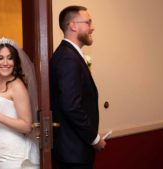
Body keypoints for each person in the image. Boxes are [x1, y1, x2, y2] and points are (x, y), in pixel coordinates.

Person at [50, 5, 106, 169]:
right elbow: (71, 106)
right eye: (88, 22)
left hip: (73, 152)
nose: (92, 27)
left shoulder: (68, 54)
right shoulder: (68, 58)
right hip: (73, 155)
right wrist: (94, 139)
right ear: (73, 25)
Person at [0, 38, 39, 169]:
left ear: (15, 62)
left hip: (14, 154)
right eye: (0, 58)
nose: (5, 63)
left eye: (10, 58)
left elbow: (26, 126)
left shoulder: (17, 85)